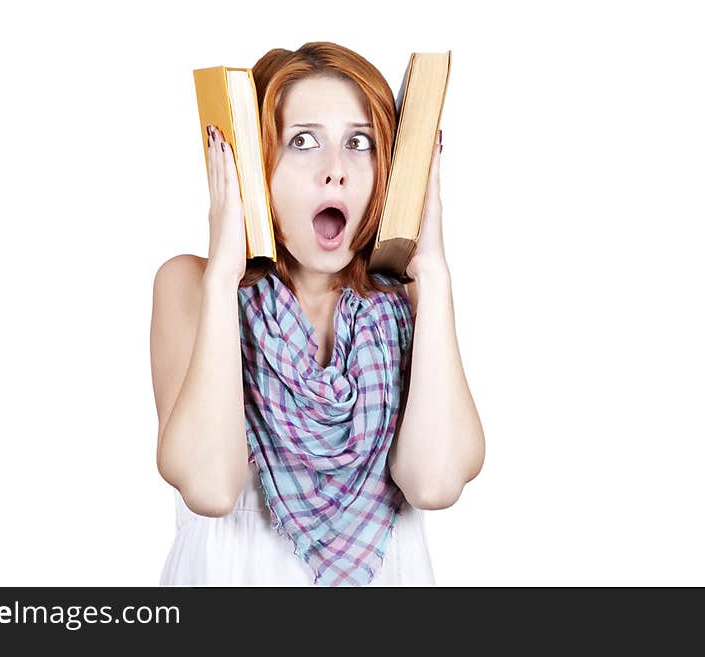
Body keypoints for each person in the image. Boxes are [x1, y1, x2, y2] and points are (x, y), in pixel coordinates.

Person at [150, 42, 485, 586]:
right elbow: (211, 486)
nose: (337, 172)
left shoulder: (403, 302)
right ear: (255, 166)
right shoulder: (191, 285)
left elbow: (435, 482)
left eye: (361, 142)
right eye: (303, 142)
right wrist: (224, 272)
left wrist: (434, 271)